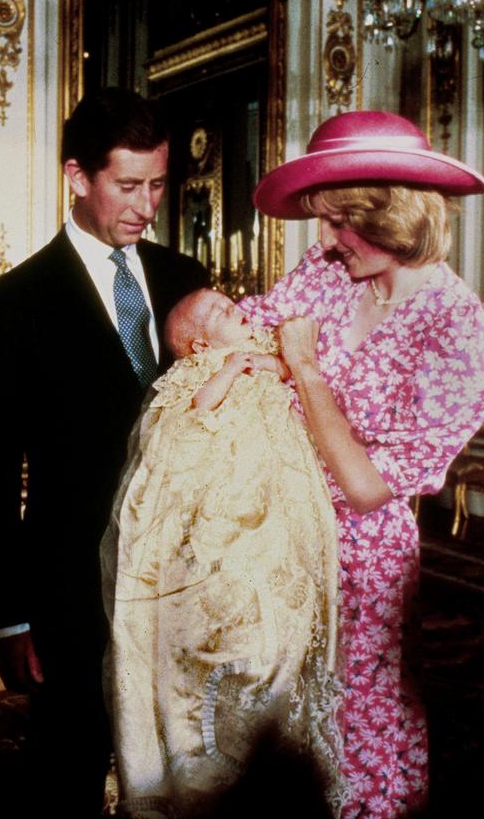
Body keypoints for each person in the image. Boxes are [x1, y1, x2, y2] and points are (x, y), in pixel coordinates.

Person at [241, 110, 484, 818]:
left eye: (340, 222)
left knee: (352, 735)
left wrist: (301, 366)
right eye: (322, 221)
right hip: (277, 538)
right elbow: (243, 331)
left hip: (361, 565)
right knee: (270, 735)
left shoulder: (463, 330)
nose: (325, 239)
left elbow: (364, 487)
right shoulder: (329, 275)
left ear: (392, 215)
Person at [0, 88, 208, 818]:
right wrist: (6, 619)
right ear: (78, 176)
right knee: (71, 764)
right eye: (128, 185)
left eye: (159, 184)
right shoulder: (11, 303)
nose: (147, 205)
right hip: (70, 590)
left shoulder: (184, 279)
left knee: (182, 760)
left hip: (185, 577)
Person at [101, 288, 342, 819]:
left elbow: (287, 370)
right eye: (213, 311)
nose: (230, 304)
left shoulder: (262, 343)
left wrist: (272, 363)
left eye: (225, 298)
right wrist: (231, 370)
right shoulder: (200, 369)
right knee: (226, 573)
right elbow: (196, 410)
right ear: (199, 344)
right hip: (223, 489)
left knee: (281, 585)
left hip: (276, 484)